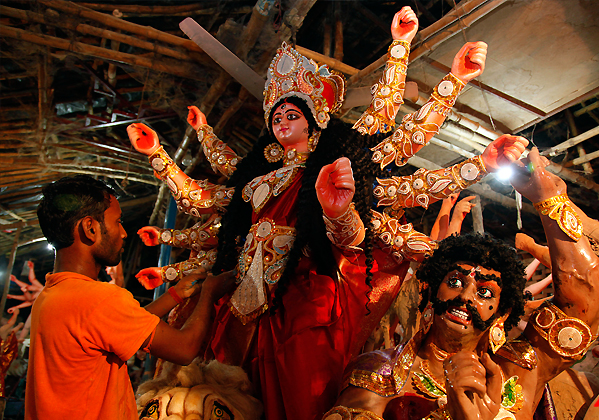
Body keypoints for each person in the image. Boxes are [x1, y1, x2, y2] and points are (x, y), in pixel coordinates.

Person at [126, 7, 526, 419]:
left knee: (302, 396)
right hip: (239, 296)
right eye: (276, 116)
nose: (282, 123)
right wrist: (158, 155)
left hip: (301, 297)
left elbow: (388, 148)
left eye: (292, 114)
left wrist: (419, 59)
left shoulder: (337, 168)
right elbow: (200, 200)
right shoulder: (254, 177)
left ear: (316, 117)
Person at [323, 147, 599, 420]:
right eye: (456, 281)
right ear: (431, 289)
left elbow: (587, 301)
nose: (466, 296)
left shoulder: (518, 368)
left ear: (502, 312)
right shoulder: (381, 373)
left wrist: (551, 198)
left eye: (485, 292)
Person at [25, 175, 234, 420]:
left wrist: (175, 294)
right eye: (118, 221)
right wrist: (208, 293)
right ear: (90, 228)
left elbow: (122, 325)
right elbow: (184, 349)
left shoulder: (54, 293)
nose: (124, 233)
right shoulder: (97, 298)